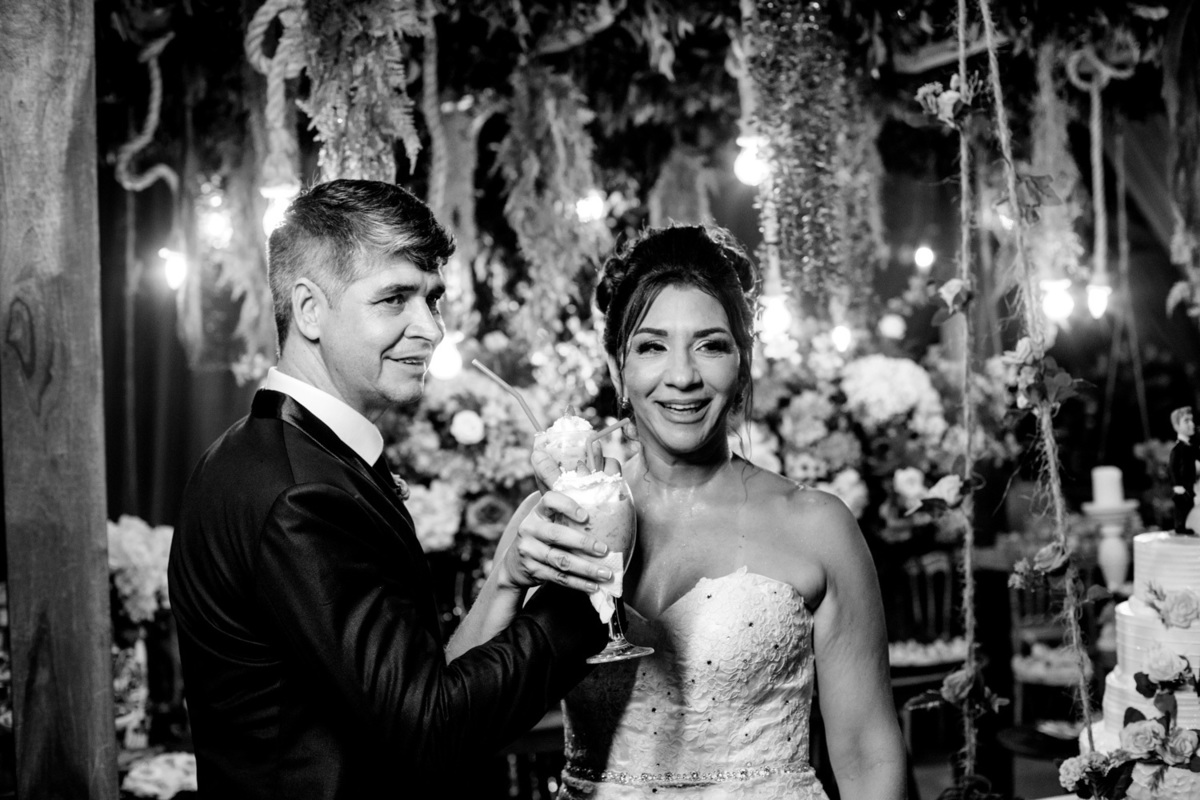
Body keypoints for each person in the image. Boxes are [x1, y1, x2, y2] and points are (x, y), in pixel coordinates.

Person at [168, 179, 613, 799]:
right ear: (309, 310)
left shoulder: (287, 454)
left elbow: (418, 689)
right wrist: (589, 587)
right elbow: (431, 730)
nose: (430, 329)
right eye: (394, 298)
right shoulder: (300, 493)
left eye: (432, 300)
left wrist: (508, 578)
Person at [556, 225, 905, 798]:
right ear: (618, 369)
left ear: (742, 364)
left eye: (711, 345)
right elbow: (452, 716)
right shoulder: (562, 517)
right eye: (652, 346)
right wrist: (511, 574)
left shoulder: (817, 527)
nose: (683, 376)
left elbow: (870, 759)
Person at [1169, 406, 1198, 535]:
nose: (1192, 424)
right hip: (1182, 486)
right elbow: (1172, 468)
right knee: (1182, 507)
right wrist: (1177, 485)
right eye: (1186, 421)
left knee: (1189, 505)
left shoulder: (1191, 447)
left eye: (1192, 420)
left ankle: (1187, 526)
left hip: (1190, 485)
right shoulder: (1177, 449)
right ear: (1176, 426)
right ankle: (1180, 527)